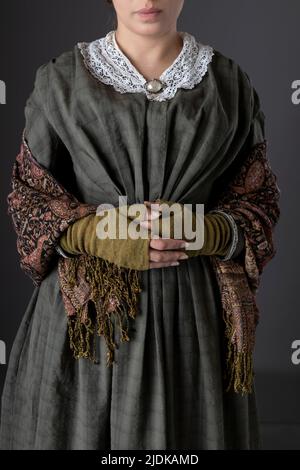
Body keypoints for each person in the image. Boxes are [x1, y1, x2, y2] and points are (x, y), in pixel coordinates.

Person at [0, 0, 280, 450]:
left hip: (193, 324)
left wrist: (203, 231)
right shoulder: (59, 81)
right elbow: (29, 200)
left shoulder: (230, 85)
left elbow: (259, 202)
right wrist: (97, 234)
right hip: (88, 325)